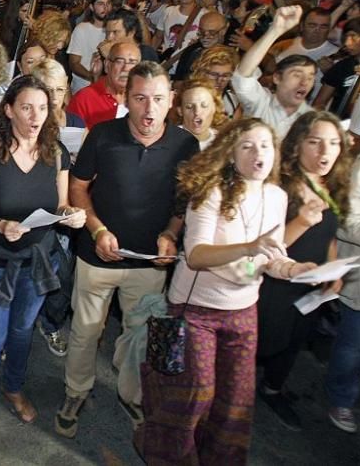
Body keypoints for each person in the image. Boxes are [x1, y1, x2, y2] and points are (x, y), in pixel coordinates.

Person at [136, 119, 318, 464]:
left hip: (243, 310)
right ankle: (163, 453)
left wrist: (294, 269)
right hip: (196, 310)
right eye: (247, 145)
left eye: (265, 145)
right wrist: (249, 246)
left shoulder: (276, 197)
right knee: (196, 394)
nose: (258, 153)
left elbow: (271, 258)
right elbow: (197, 254)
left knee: (236, 403)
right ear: (231, 153)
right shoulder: (211, 192)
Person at [57, 62, 200, 439]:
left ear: (172, 101)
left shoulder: (187, 144)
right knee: (86, 332)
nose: (148, 110)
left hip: (151, 264)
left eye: (157, 99)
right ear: (125, 99)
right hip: (96, 256)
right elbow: (78, 188)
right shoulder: (103, 135)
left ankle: (131, 394)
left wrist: (171, 234)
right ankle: (76, 392)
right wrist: (98, 229)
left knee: (140, 334)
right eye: (139, 99)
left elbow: (183, 202)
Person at [0, 76, 87, 427]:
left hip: (37, 260)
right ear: (8, 110)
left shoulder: (56, 152)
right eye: (26, 107)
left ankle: (14, 388)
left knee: (21, 332)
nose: (36, 116)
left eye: (42, 107)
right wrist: (0, 225)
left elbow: (62, 203)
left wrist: (71, 216)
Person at [256, 111, 349, 431]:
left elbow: (330, 234)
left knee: (293, 342)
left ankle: (272, 389)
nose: (326, 152)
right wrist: (301, 221)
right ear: (297, 146)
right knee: (262, 340)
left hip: (309, 286)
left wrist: (333, 270)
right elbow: (263, 248)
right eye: (316, 142)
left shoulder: (331, 185)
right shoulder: (279, 186)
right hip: (274, 283)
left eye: (334, 143)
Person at [232, 5, 315, 139]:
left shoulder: (312, 121)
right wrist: (275, 31)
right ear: (276, 78)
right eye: (297, 75)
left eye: (310, 77)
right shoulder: (261, 103)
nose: (304, 82)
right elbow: (242, 77)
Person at [327, 149, 360, 433]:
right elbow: (347, 222)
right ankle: (342, 399)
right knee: (352, 344)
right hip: (359, 276)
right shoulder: (358, 170)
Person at [66, 41, 140, 129]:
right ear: (107, 65)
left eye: (132, 62)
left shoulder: (144, 99)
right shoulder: (83, 99)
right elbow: (71, 140)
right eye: (119, 61)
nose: (126, 68)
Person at [191, 45, 243, 119]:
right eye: (214, 74)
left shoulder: (234, 102)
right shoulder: (189, 97)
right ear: (202, 72)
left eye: (225, 76)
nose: (219, 80)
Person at [176, 77, 226, 150]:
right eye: (189, 107)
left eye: (204, 106)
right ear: (180, 111)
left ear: (214, 108)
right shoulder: (168, 141)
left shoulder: (223, 143)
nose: (197, 112)